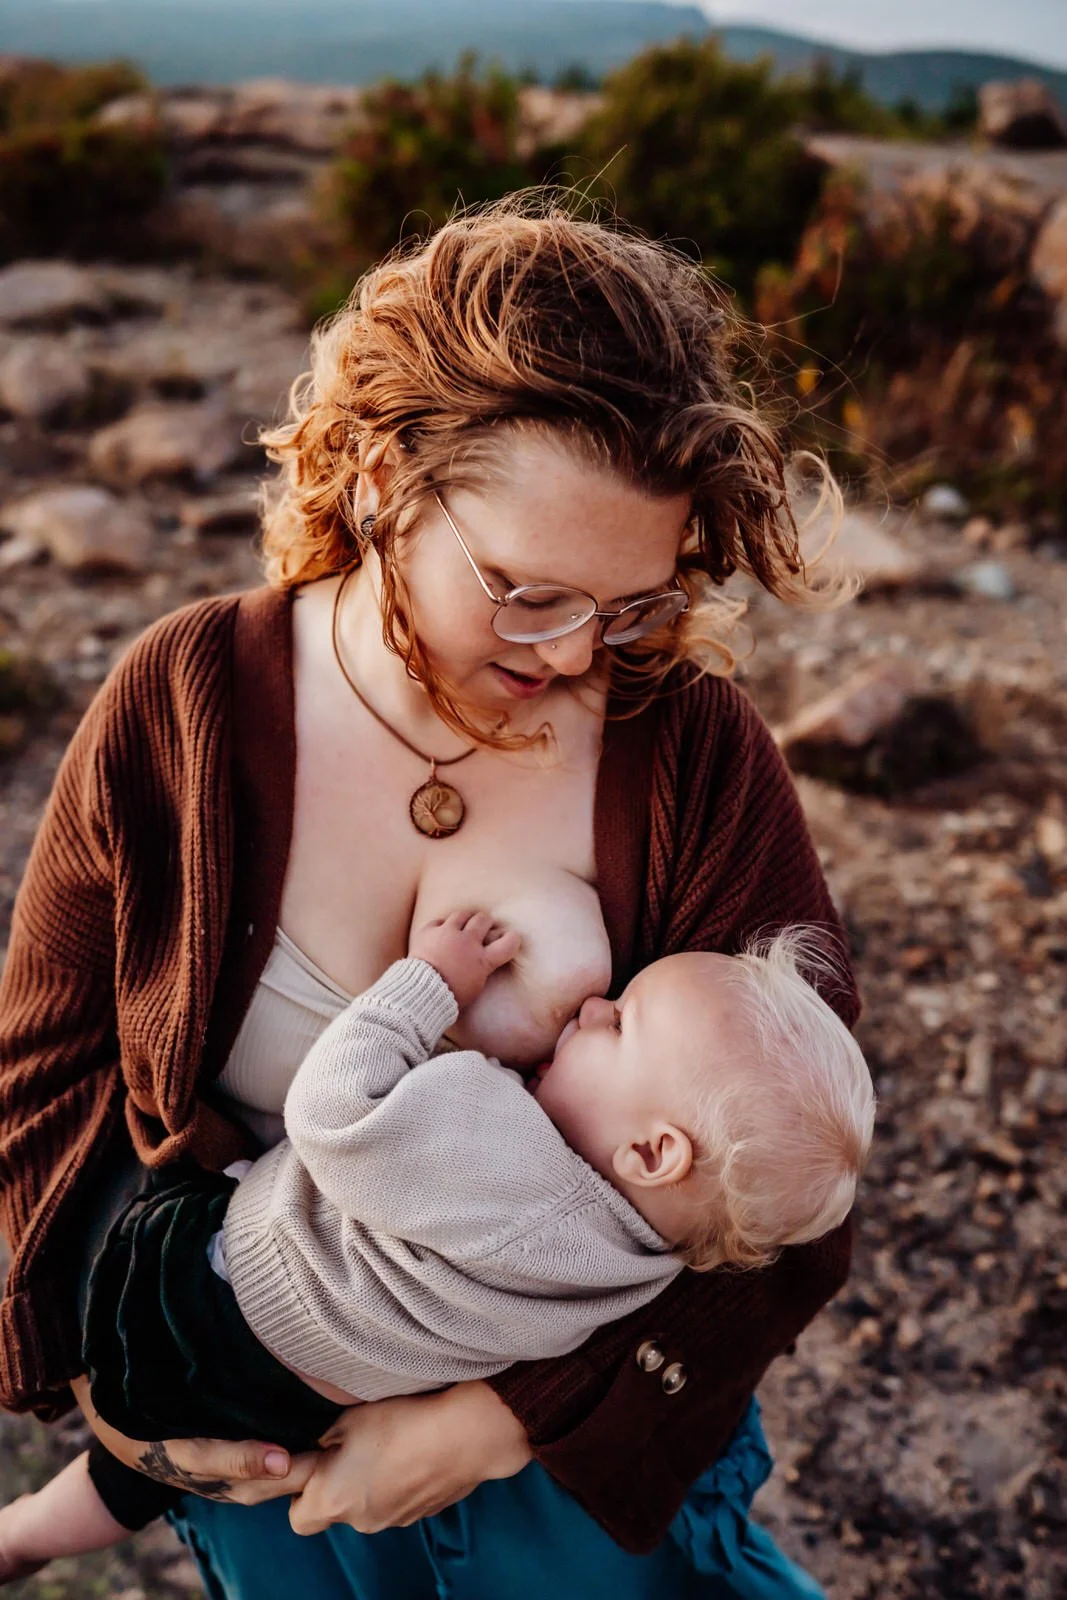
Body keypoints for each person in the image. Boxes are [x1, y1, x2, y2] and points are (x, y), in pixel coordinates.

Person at [0, 194, 862, 1599]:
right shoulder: (189, 701)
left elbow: (796, 1181)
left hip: (578, 1492)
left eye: (629, 603)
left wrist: (501, 1424)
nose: (577, 648)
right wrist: (112, 1375)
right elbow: (49, 1067)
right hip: (277, 1480)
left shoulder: (692, 753)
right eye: (524, 591)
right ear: (386, 474)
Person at [0, 911, 875, 1581]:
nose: (594, 1005)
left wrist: (428, 986)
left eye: (620, 1023)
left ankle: (33, 1521)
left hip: (200, 1295)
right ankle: (34, 1531)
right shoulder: (647, 1267)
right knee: (137, 1478)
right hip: (296, 1408)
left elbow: (329, 1110)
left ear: (651, 1153)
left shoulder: (489, 1142)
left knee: (144, 1186)